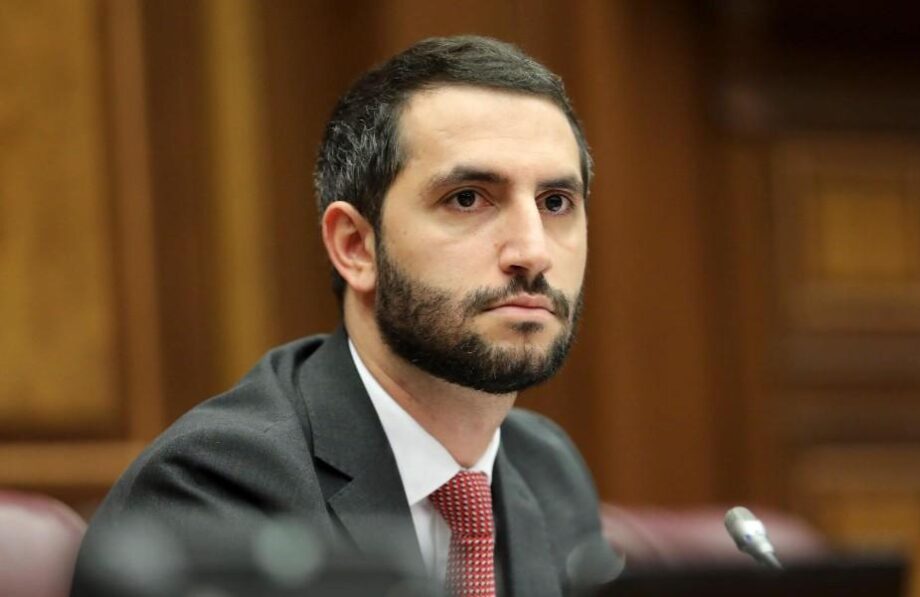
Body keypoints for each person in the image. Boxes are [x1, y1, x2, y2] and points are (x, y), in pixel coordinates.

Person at [72, 35, 615, 597]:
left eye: (555, 203)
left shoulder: (547, 469)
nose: (533, 251)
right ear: (355, 246)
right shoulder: (217, 486)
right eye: (467, 198)